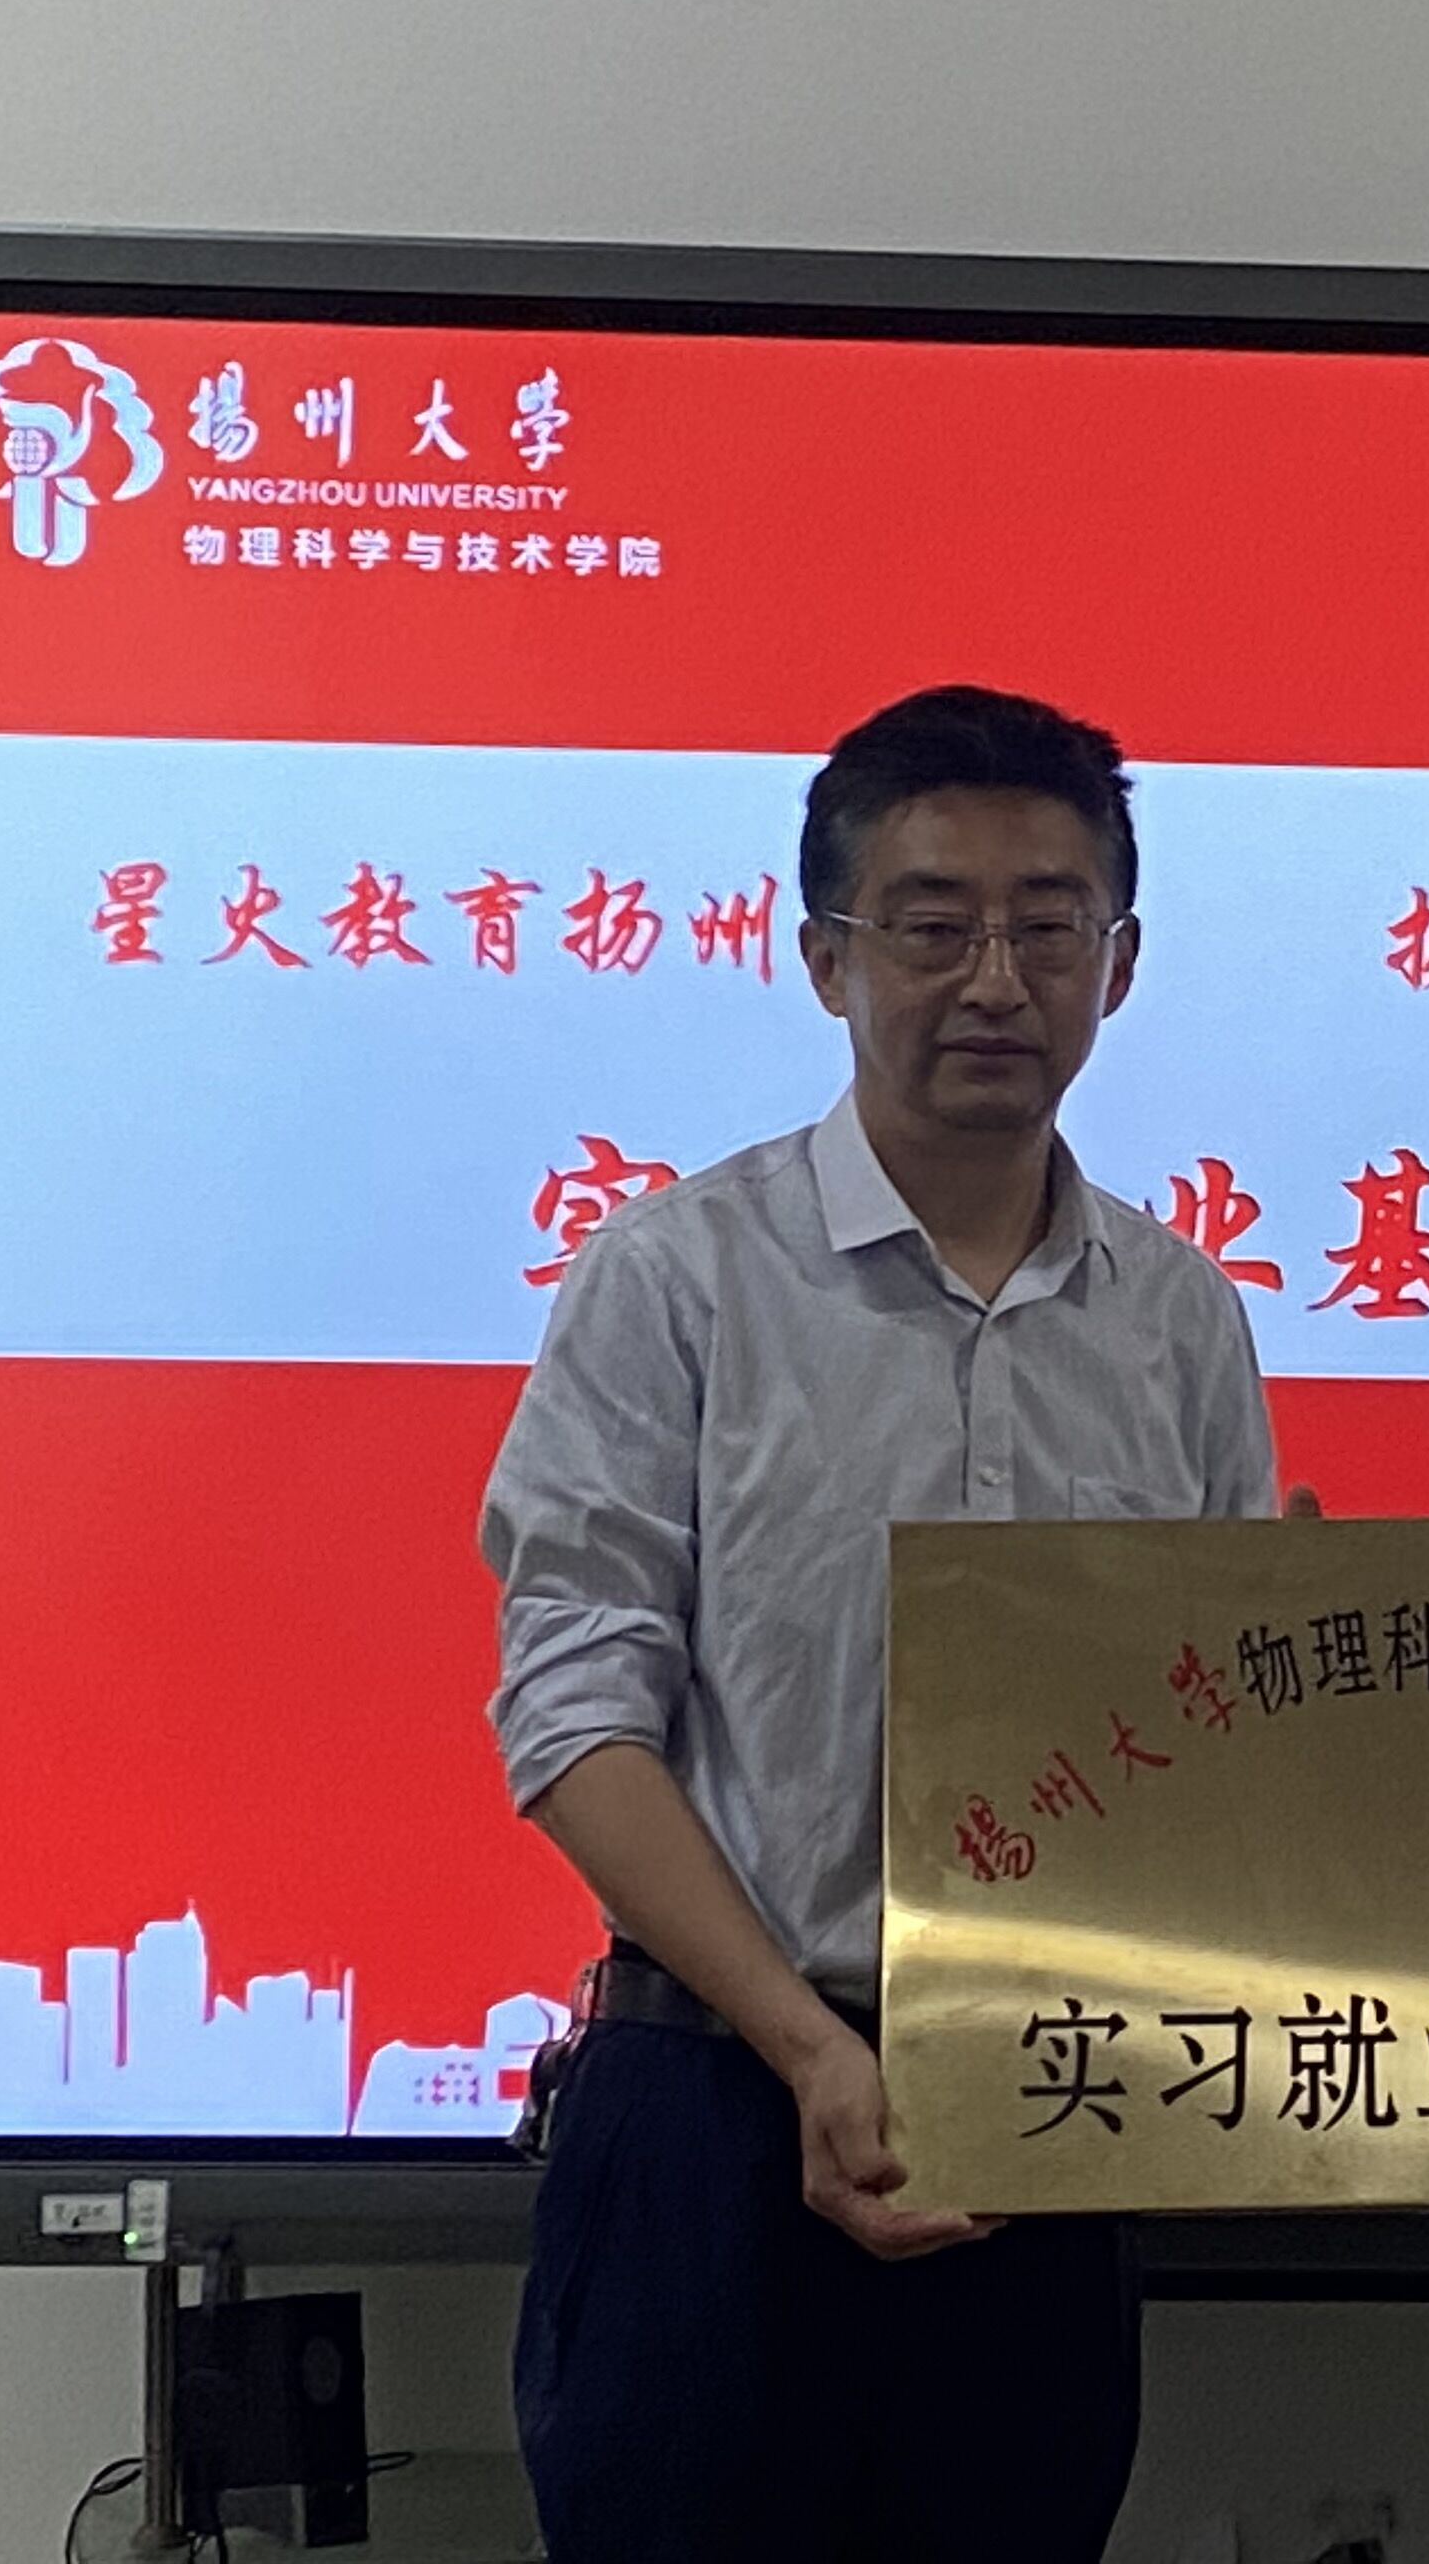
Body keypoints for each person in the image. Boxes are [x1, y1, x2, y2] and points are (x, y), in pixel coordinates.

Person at [483, 684, 1276, 2564]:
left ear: (1120, 964)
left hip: (1052, 2115)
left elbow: (1212, 1732)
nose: (994, 978)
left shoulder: (1177, 1318)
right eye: (931, 925)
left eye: (1048, 925)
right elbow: (574, 1713)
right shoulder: (677, 1280)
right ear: (826, 957)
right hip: (715, 2106)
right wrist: (812, 2053)